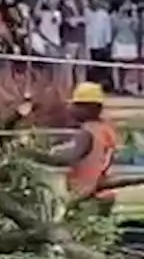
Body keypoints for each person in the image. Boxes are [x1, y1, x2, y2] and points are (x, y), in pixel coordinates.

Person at [45, 82, 119, 217]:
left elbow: (69, 157)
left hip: (87, 194)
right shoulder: (106, 130)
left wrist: (40, 156)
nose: (71, 109)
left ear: (90, 108)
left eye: (77, 105)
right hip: (105, 192)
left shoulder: (86, 133)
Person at [112, 0, 140, 94]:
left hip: (130, 43)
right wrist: (121, 12)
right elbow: (115, 27)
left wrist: (134, 12)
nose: (127, 6)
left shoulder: (133, 18)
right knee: (117, 65)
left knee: (129, 66)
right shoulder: (115, 16)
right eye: (126, 3)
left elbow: (136, 28)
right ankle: (117, 86)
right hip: (119, 42)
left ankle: (126, 86)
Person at [87, 0, 114, 88]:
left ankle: (103, 85)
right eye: (93, 1)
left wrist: (108, 42)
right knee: (90, 67)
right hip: (89, 45)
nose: (95, 3)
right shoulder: (86, 12)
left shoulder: (103, 14)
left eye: (97, 1)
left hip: (101, 44)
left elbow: (107, 29)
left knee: (102, 66)